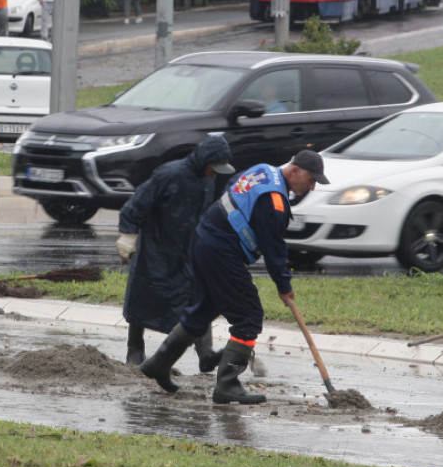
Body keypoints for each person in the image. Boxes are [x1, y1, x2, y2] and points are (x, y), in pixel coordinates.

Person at [139, 149, 329, 405]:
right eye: (311, 180)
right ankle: (228, 384)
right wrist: (284, 286)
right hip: (220, 250)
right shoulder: (274, 201)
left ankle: (158, 363)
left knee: (204, 308)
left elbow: (231, 187)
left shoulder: (263, 169)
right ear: (295, 171)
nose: (312, 187)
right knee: (249, 316)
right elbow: (273, 248)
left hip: (204, 237)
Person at [116, 135, 236, 369]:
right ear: (204, 161)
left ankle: (206, 355)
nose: (215, 173)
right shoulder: (168, 175)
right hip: (156, 249)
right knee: (143, 297)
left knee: (198, 299)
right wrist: (128, 235)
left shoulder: (207, 180)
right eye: (214, 168)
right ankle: (135, 350)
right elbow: (136, 205)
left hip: (189, 249)